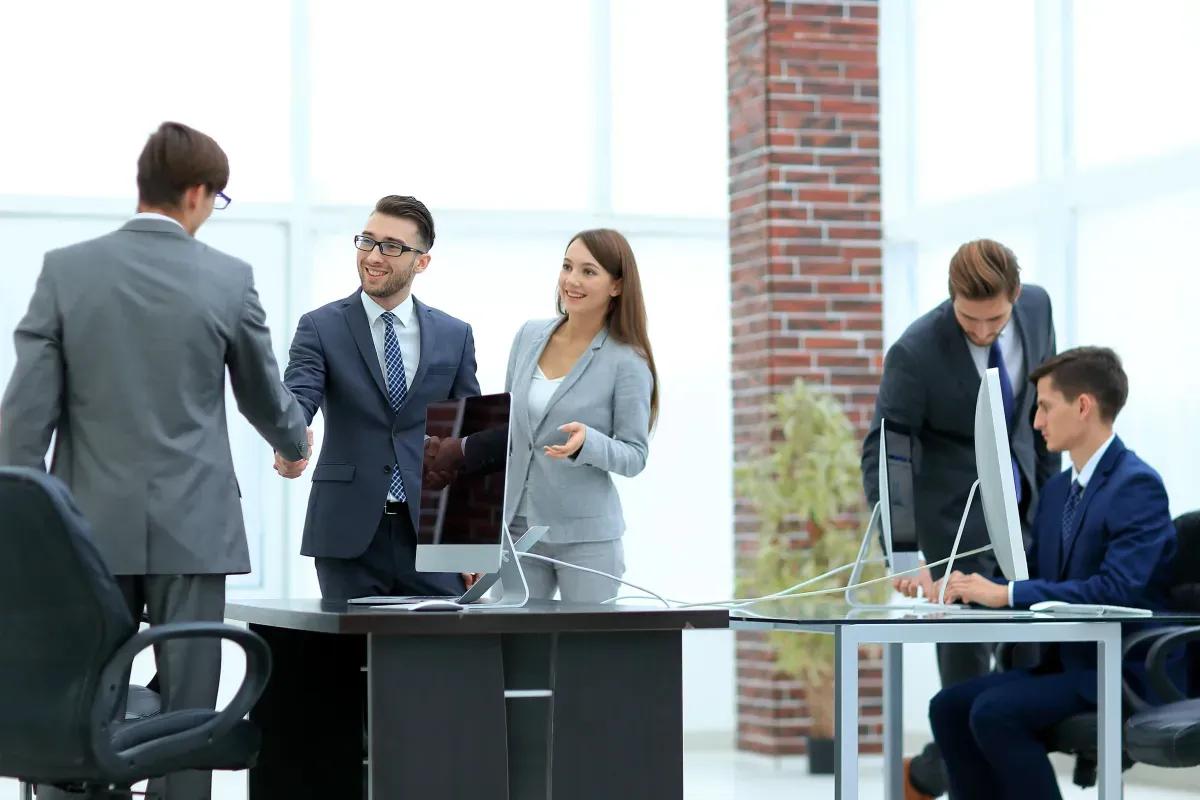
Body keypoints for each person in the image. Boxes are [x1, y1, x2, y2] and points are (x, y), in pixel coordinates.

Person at [0, 121, 309, 800]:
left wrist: (23, 539)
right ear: (197, 193)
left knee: (76, 709)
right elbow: (263, 394)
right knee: (185, 724)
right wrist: (295, 445)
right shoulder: (227, 280)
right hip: (193, 531)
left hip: (81, 534)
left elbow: (23, 422)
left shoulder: (66, 271)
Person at [929, 347, 1177, 800]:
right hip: (1065, 666)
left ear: (1083, 406)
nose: (1037, 422)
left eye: (1044, 407)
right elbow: (1039, 576)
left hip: (1118, 670)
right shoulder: (1061, 488)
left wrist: (1007, 595)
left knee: (994, 712)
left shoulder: (1136, 486)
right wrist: (964, 588)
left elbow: (1116, 591)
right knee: (948, 706)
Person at [861, 239, 1058, 799]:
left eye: (993, 318)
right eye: (967, 318)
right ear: (951, 299)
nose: (979, 331)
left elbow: (1044, 411)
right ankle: (935, 778)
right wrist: (903, 554)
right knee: (968, 688)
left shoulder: (1038, 309)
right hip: (954, 535)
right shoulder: (916, 352)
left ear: (1015, 297)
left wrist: (1057, 510)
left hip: (1027, 518)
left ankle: (925, 773)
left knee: (1031, 673)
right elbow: (887, 454)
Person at [429, 229, 657, 602]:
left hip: (586, 538)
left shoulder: (627, 361)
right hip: (516, 530)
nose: (572, 280)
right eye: (567, 267)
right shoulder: (529, 337)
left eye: (588, 271)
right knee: (509, 649)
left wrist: (590, 443)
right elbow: (504, 435)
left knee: (584, 657)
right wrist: (474, 536)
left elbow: (635, 455)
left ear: (616, 285)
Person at [281, 195, 480, 601]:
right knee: (346, 662)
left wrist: (470, 544)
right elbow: (299, 396)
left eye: (391, 246)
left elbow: (466, 436)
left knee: (438, 661)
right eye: (366, 241)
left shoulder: (454, 335)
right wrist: (289, 440)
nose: (373, 256)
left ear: (421, 261)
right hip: (347, 532)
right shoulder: (321, 327)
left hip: (430, 537)